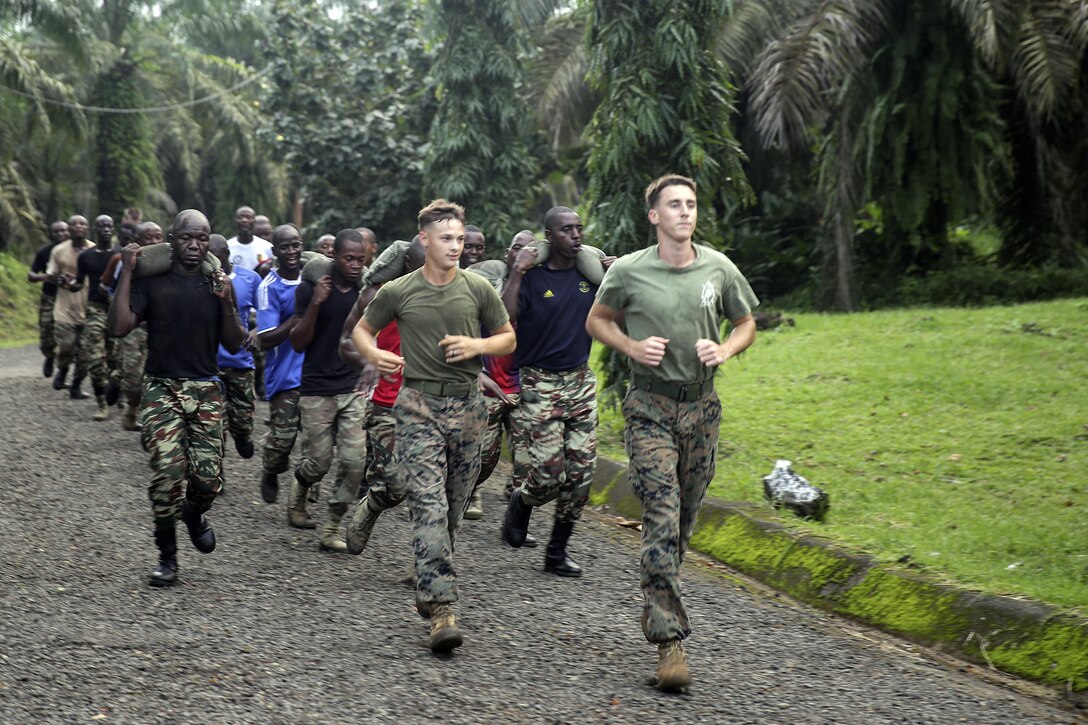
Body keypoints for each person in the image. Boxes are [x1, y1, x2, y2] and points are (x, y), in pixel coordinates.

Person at [586, 174, 758, 691]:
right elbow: (599, 320)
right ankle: (669, 641)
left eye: (691, 205)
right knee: (660, 515)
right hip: (649, 407)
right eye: (674, 205)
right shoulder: (632, 271)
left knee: (683, 521)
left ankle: (656, 595)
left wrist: (726, 350)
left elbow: (747, 323)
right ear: (654, 216)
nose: (685, 212)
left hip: (702, 408)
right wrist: (632, 348)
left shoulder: (719, 267)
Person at [351, 199, 515, 653]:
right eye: (447, 238)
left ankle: (429, 571)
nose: (456, 246)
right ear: (424, 240)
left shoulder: (478, 288)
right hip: (417, 406)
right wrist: (373, 353)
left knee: (454, 507)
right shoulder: (399, 290)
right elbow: (362, 330)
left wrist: (476, 344)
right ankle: (442, 608)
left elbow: (507, 338)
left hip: (467, 409)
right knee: (428, 505)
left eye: (460, 239)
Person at [109, 209, 245, 587]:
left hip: (205, 388)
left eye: (202, 238)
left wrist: (226, 301)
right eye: (187, 238)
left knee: (208, 481)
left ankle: (194, 514)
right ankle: (167, 558)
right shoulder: (152, 282)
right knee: (168, 475)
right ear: (171, 239)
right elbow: (119, 327)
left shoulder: (215, 283)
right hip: (161, 388)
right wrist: (128, 272)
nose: (195, 246)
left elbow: (235, 343)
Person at [500, 208, 602, 578]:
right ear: (549, 235)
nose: (575, 235)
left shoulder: (590, 275)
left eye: (579, 229)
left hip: (580, 382)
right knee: (546, 478)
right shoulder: (531, 277)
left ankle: (556, 553)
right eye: (566, 230)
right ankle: (521, 499)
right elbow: (504, 317)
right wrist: (517, 271)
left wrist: (620, 272)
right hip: (538, 383)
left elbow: (619, 310)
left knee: (581, 478)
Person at [288, 228, 368, 552]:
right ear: (334, 255)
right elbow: (297, 342)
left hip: (352, 386)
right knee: (318, 462)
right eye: (348, 258)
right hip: (317, 387)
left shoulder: (366, 292)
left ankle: (332, 525)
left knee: (354, 461)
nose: (354, 265)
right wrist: (316, 304)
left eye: (360, 260)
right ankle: (301, 484)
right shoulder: (311, 288)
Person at [338, 237, 425, 527]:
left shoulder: (451, 297)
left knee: (428, 490)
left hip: (432, 407)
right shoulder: (377, 296)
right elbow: (347, 340)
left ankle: (425, 567)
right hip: (385, 407)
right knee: (395, 487)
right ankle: (373, 503)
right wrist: (369, 361)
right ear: (409, 264)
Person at [464, 229, 535, 523]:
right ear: (508, 252)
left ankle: (516, 517)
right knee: (483, 458)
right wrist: (475, 371)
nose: (521, 254)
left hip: (523, 388)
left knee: (528, 461)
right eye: (516, 248)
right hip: (488, 386)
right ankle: (468, 492)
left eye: (528, 250)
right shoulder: (485, 283)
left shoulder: (540, 288)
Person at [255, 225, 306, 504]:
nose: (291, 251)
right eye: (284, 247)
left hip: (315, 375)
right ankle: (270, 469)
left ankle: (304, 492)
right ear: (274, 251)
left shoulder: (313, 279)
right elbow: (264, 340)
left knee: (316, 444)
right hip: (284, 375)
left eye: (296, 245)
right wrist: (293, 321)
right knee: (283, 441)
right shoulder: (269, 287)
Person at [107, 222, 163, 430]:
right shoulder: (126, 264)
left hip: (157, 327)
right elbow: (112, 292)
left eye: (158, 237)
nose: (154, 242)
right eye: (149, 238)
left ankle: (148, 422)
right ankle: (122, 385)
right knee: (133, 376)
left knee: (153, 375)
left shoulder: (168, 263)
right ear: (137, 241)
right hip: (133, 326)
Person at [209, 234, 261, 459]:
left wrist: (256, 330)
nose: (208, 260)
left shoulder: (250, 278)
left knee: (241, 421)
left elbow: (266, 313)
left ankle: (241, 434)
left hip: (240, 362)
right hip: (210, 365)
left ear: (226, 255)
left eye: (213, 255)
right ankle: (215, 473)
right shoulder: (201, 278)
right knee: (213, 426)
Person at [73, 214, 119, 420]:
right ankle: (101, 403)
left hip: (117, 311)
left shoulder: (120, 254)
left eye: (109, 226)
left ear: (114, 228)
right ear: (95, 229)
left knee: (115, 359)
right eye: (102, 226)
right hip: (94, 310)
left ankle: (117, 390)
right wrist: (67, 284)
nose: (106, 230)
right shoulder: (86, 256)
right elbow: (78, 283)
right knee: (95, 358)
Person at [46, 214, 92, 399]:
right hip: (64, 308)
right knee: (66, 347)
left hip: (88, 308)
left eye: (82, 223)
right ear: (69, 228)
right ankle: (63, 370)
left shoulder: (94, 250)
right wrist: (59, 279)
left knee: (86, 355)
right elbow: (51, 274)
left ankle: (76, 386)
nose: (78, 226)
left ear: (87, 228)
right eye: (74, 224)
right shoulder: (59, 250)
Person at [27, 220, 69, 378]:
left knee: (68, 338)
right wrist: (45, 276)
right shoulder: (44, 252)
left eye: (64, 230)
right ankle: (49, 356)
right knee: (46, 335)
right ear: (51, 234)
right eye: (57, 231)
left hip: (70, 300)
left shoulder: (78, 251)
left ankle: (63, 369)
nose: (61, 234)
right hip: (49, 298)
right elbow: (30, 275)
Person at [226, 205, 273, 272]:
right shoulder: (228, 247)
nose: (244, 220)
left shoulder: (267, 247)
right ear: (235, 221)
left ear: (254, 221)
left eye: (248, 217)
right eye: (240, 217)